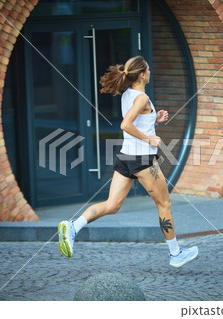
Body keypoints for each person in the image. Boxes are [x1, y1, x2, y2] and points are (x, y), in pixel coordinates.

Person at [58, 56, 198, 268]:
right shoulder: (141, 98)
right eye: (148, 69)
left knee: (112, 205)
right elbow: (125, 124)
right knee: (165, 204)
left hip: (126, 157)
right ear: (142, 74)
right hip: (143, 160)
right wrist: (149, 138)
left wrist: (154, 120)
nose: (150, 72)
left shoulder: (128, 95)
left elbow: (135, 121)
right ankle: (175, 253)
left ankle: (73, 227)